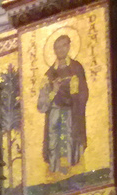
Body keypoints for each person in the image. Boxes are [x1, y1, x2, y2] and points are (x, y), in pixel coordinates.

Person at [38, 34, 88, 176]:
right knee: (54, 137)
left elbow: (84, 91)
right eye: (57, 47)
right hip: (54, 109)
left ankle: (72, 167)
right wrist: (53, 91)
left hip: (71, 109)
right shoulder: (49, 74)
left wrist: (76, 91)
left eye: (63, 45)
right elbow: (41, 103)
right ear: (54, 50)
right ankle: (55, 168)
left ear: (68, 47)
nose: (60, 49)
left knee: (70, 134)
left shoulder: (76, 68)